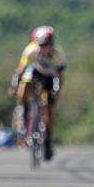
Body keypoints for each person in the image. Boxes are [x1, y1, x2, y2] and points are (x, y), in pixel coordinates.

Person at [11, 26, 66, 161]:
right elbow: (20, 70)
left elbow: (60, 75)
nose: (43, 48)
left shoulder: (58, 54)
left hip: (50, 76)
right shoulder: (30, 51)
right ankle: (25, 110)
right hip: (34, 73)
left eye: (46, 45)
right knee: (24, 84)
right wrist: (14, 86)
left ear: (51, 44)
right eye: (40, 45)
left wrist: (57, 90)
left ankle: (47, 142)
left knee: (49, 109)